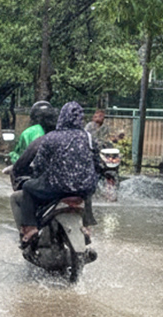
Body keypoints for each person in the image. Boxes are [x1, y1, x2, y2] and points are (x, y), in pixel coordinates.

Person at [11, 101, 100, 245]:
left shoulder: (51, 138)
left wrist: (37, 177)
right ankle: (87, 227)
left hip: (56, 188)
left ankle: (30, 228)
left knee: (27, 187)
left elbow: (39, 165)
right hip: (83, 189)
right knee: (86, 191)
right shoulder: (89, 138)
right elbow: (97, 164)